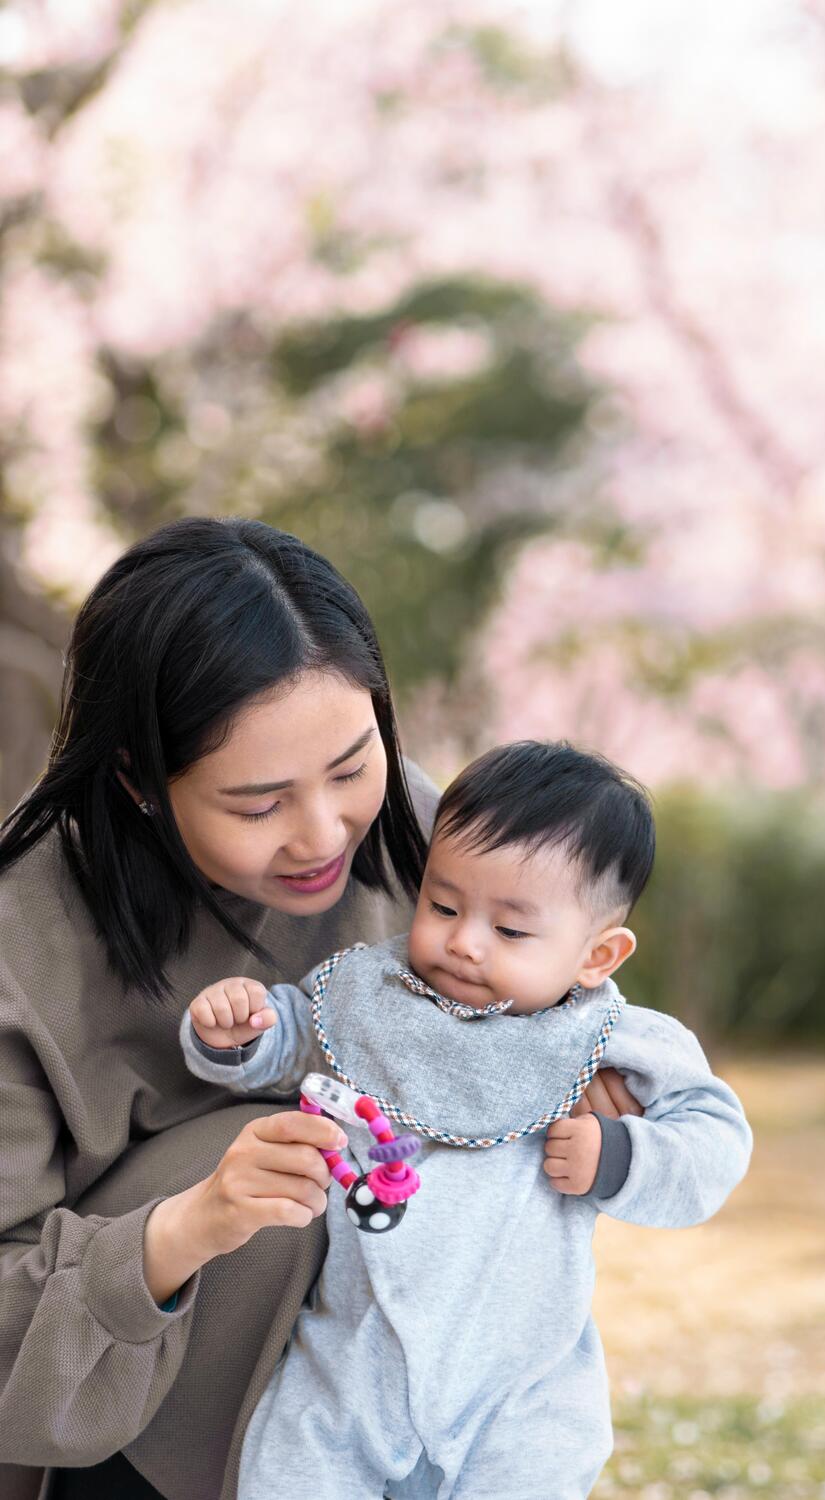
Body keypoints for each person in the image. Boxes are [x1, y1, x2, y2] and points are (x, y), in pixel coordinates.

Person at [0, 517, 644, 1500]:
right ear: (136, 778)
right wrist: (188, 1226)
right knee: (289, 1148)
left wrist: (590, 1063)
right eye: (259, 804)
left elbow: (557, 952)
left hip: (399, 1390)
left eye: (351, 765)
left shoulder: (425, 837)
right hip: (113, 1421)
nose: (323, 833)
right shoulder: (20, 945)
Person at [183, 741, 753, 1500]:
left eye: (511, 931)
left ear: (598, 954)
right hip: (353, 1358)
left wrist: (618, 1156)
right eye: (444, 905)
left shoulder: (612, 1039)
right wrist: (237, 1034)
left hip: (519, 1385)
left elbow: (715, 1139)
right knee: (289, 1472)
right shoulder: (373, 997)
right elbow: (291, 1039)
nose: (464, 940)